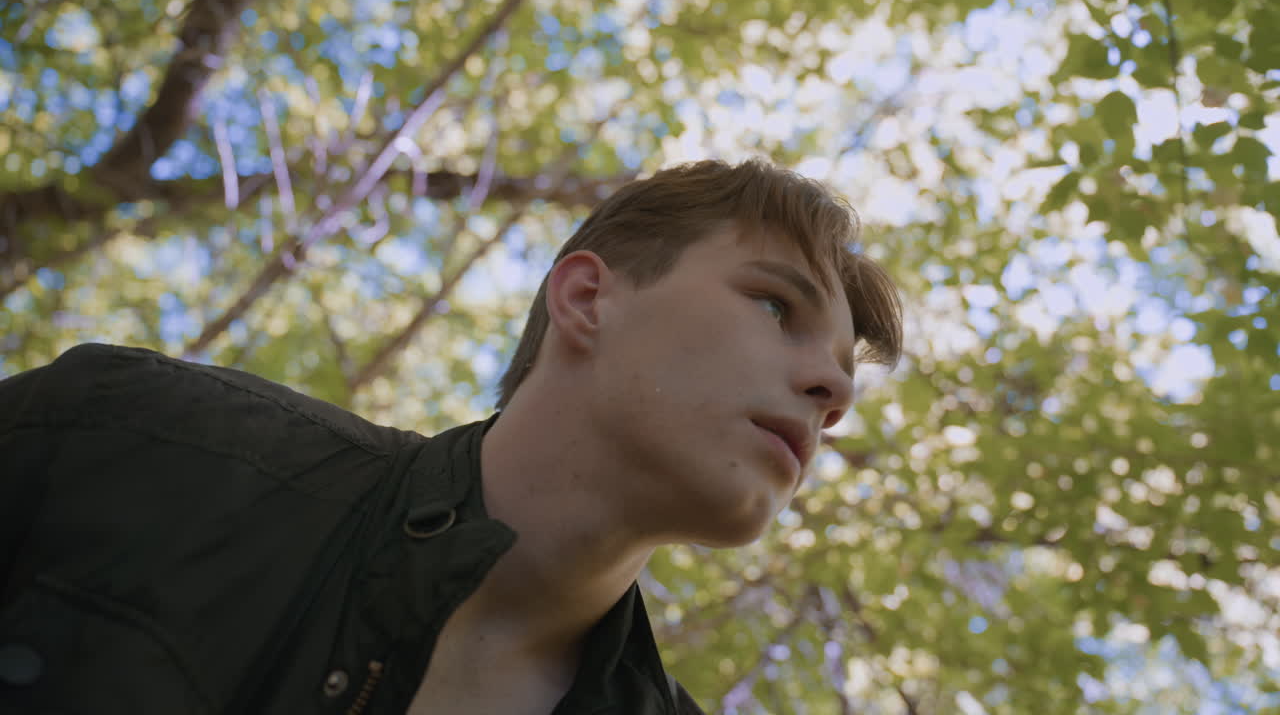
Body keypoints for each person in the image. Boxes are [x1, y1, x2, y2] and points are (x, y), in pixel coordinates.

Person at [0, 159, 902, 714]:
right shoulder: (129, 445)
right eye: (777, 305)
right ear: (588, 299)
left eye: (841, 379)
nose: (835, 391)